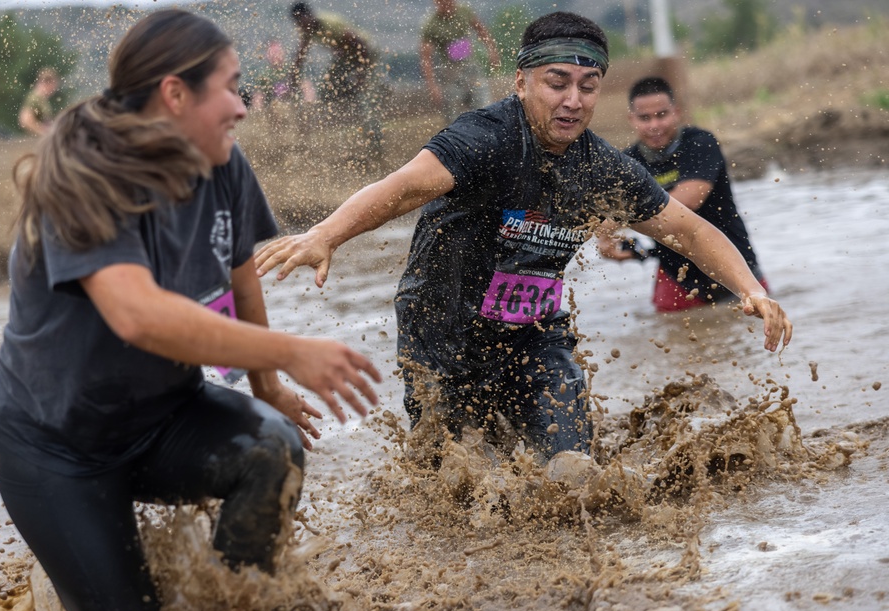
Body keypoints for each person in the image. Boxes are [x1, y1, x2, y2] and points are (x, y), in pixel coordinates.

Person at [0, 10, 380, 611]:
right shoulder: (85, 173)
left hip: (164, 416)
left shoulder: (221, 162)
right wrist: (292, 352)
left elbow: (241, 274)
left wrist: (268, 385)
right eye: (230, 86)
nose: (242, 106)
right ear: (174, 94)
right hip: (57, 449)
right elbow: (137, 315)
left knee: (271, 450)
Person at [255, 11, 792, 462]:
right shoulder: (484, 138)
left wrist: (752, 290)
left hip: (536, 333)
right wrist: (327, 234)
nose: (573, 101)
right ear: (521, 81)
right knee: (458, 476)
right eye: (557, 83)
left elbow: (690, 231)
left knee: (572, 469)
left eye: (587, 87)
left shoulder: (603, 168)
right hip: (444, 331)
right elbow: (402, 189)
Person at [600, 76, 769, 311]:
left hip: (734, 264)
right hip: (676, 276)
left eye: (661, 115)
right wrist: (607, 242)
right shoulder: (627, 163)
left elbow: (690, 200)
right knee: (667, 338)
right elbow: (605, 215)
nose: (654, 125)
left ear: (677, 112)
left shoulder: (700, 143)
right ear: (632, 120)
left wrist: (616, 220)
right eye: (644, 118)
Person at [288, 2, 382, 151]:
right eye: (298, 23)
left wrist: (361, 73)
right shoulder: (308, 30)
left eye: (302, 21)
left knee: (367, 96)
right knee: (327, 86)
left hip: (366, 53)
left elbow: (360, 43)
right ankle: (343, 111)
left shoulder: (330, 23)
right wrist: (293, 77)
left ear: (309, 16)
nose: (301, 25)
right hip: (345, 56)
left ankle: (374, 144)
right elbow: (301, 54)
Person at [419, 0, 501, 121]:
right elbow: (426, 57)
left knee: (484, 108)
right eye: (442, 2)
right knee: (452, 116)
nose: (446, 4)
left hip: (471, 67)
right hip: (449, 73)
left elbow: (480, 29)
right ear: (436, 2)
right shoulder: (431, 24)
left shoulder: (464, 11)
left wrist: (492, 50)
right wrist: (432, 86)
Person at [249, 40, 315, 111]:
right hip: (273, 111)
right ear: (267, 56)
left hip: (293, 109)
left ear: (283, 53)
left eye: (278, 52)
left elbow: (306, 85)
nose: (275, 56)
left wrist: (309, 104)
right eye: (272, 53)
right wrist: (258, 111)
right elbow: (258, 95)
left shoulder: (292, 69)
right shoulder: (265, 74)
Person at [18, 67, 60, 136]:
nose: (55, 88)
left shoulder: (42, 99)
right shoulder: (35, 98)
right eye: (54, 84)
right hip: (35, 142)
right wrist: (44, 133)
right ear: (48, 83)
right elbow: (25, 120)